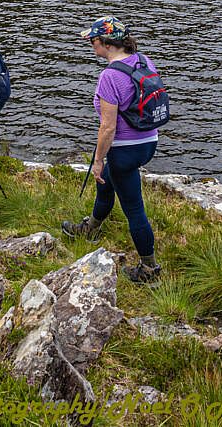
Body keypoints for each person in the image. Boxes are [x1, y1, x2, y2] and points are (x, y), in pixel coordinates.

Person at [62, 16, 161, 284]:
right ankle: (90, 228)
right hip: (148, 141)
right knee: (106, 181)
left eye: (92, 40)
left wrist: (97, 159)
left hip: (125, 149)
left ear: (104, 43)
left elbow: (107, 128)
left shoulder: (110, 76)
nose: (90, 44)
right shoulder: (143, 60)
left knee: (134, 208)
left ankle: (149, 269)